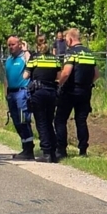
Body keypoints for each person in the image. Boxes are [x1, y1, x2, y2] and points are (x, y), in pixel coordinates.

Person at [54, 28, 97, 160]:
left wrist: (58, 84)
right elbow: (96, 75)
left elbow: (66, 73)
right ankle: (83, 150)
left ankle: (61, 150)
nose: (65, 41)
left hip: (70, 91)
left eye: (66, 38)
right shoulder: (89, 53)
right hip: (85, 91)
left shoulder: (71, 53)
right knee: (81, 120)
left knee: (60, 119)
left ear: (70, 38)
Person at [24, 35, 62, 163]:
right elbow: (58, 76)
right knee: (49, 121)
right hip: (52, 92)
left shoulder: (34, 57)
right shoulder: (54, 58)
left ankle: (46, 152)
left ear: (37, 45)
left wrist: (27, 61)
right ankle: (53, 152)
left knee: (41, 122)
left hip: (38, 93)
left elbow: (25, 76)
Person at [3, 36, 35, 160]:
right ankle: (25, 147)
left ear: (19, 45)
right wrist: (5, 93)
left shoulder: (24, 57)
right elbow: (6, 78)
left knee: (23, 120)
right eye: (9, 45)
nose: (11, 47)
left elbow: (30, 64)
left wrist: (26, 50)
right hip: (11, 94)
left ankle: (29, 150)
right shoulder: (8, 60)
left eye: (13, 44)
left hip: (22, 94)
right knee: (16, 121)